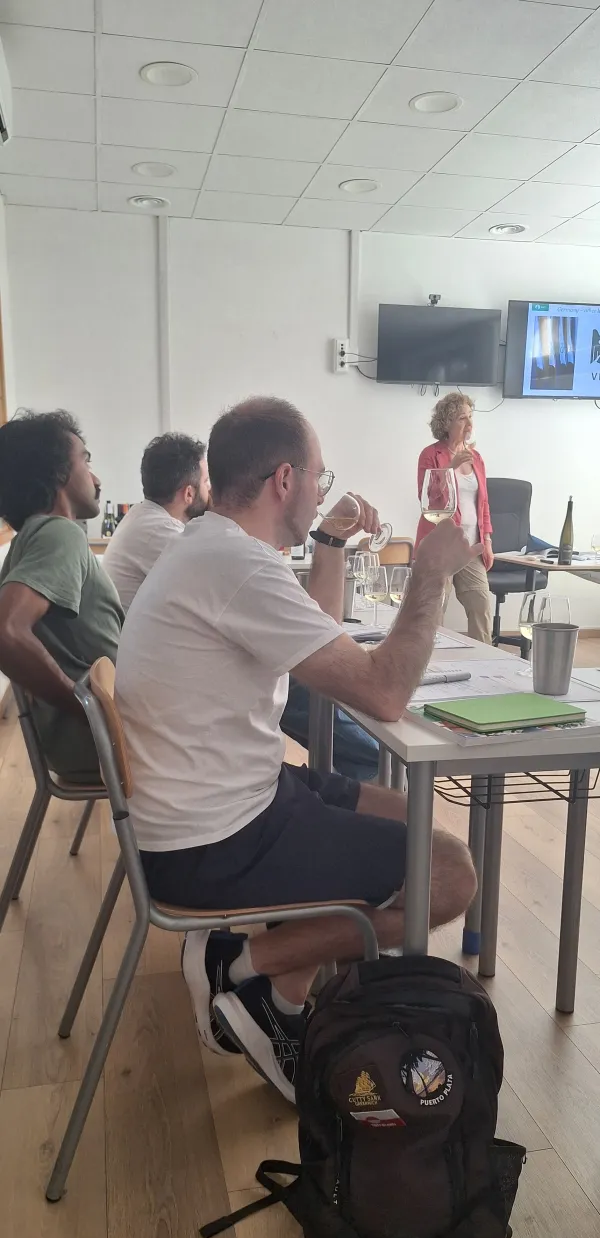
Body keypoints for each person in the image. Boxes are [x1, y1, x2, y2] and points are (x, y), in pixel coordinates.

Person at [116, 396, 478, 1103]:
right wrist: (431, 572)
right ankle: (245, 967)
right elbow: (384, 693)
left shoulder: (215, 548)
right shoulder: (239, 567)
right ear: (284, 479)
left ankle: (278, 991)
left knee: (410, 817)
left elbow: (315, 630)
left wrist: (331, 544)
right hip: (212, 841)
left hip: (219, 803)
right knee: (449, 876)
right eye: (318, 476)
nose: (321, 490)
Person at [105, 434, 379, 781]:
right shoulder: (198, 546)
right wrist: (431, 567)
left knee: (306, 675)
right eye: (206, 482)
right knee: (318, 695)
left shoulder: (157, 526)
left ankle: (359, 777)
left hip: (178, 721)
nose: (210, 492)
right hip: (195, 744)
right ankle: (371, 769)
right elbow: (377, 689)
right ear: (284, 480)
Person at [0, 410, 123, 782]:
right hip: (108, 743)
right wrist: (87, 708)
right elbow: (6, 631)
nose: (96, 479)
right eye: (86, 461)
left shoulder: (33, 538)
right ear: (58, 474)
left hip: (84, 743)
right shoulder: (59, 533)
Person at [416, 393, 493, 644]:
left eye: (470, 417)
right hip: (441, 546)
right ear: (447, 422)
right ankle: (427, 659)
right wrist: (450, 467)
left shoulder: (476, 458)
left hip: (471, 546)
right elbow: (427, 498)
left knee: (481, 603)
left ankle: (484, 659)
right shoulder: (431, 455)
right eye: (462, 418)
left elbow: (483, 504)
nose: (469, 424)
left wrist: (487, 540)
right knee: (435, 608)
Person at [103, 433, 210, 613]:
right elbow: (215, 588)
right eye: (206, 482)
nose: (210, 489)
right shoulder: (161, 531)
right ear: (189, 494)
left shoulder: (142, 516)